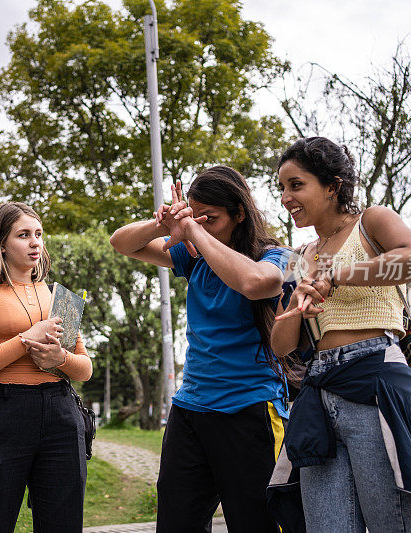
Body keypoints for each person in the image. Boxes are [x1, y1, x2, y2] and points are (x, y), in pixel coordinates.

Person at [267, 136, 411, 533]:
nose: (286, 198)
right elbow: (281, 345)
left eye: (296, 185)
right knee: (326, 526)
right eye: (281, 189)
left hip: (374, 383)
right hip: (319, 392)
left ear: (333, 185)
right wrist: (295, 305)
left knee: (391, 522)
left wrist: (336, 276)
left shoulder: (371, 222)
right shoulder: (300, 256)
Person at [109, 165, 289, 533]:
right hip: (190, 410)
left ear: (240, 214)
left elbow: (256, 284)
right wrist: (164, 224)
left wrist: (192, 230)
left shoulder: (276, 256)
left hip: (250, 409)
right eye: (197, 216)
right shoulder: (193, 257)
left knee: (257, 523)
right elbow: (121, 243)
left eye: (213, 219)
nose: (203, 227)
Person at [0, 201, 93, 533]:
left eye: (39, 234)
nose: (35, 242)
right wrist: (24, 340)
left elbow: (84, 368)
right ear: (1, 243)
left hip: (61, 411)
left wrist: (60, 360)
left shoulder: (61, 295)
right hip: (4, 413)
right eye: (23, 235)